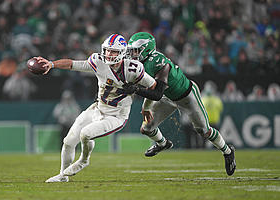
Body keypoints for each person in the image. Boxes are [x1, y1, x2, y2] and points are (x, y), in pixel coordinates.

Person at [37, 34, 157, 182]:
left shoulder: (133, 69)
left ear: (122, 53)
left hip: (116, 116)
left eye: (113, 51)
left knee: (86, 134)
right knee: (68, 141)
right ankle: (62, 176)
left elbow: (153, 86)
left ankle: (83, 160)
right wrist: (51, 64)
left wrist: (142, 98)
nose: (109, 54)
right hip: (97, 109)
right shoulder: (98, 62)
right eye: (107, 50)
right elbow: (72, 64)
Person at [125, 32, 236, 176]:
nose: (133, 54)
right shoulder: (141, 64)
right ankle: (162, 143)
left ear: (147, 49)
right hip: (167, 97)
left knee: (204, 130)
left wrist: (135, 89)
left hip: (186, 96)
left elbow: (157, 93)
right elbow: (152, 89)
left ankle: (227, 151)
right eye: (131, 50)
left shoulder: (159, 63)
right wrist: (145, 107)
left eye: (136, 50)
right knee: (146, 128)